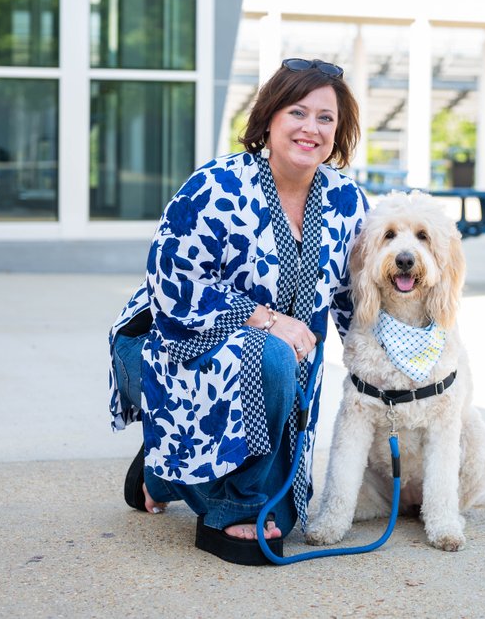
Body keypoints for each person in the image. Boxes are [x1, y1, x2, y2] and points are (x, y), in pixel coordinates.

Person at [107, 58, 368, 566]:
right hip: (165, 344)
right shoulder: (214, 186)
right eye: (298, 112)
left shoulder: (346, 202)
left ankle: (162, 470)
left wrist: (398, 358)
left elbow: (354, 301)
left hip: (281, 369)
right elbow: (171, 286)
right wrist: (268, 319)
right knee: (269, 355)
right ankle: (230, 507)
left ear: (338, 132)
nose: (310, 128)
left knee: (287, 516)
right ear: (269, 116)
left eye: (325, 118)